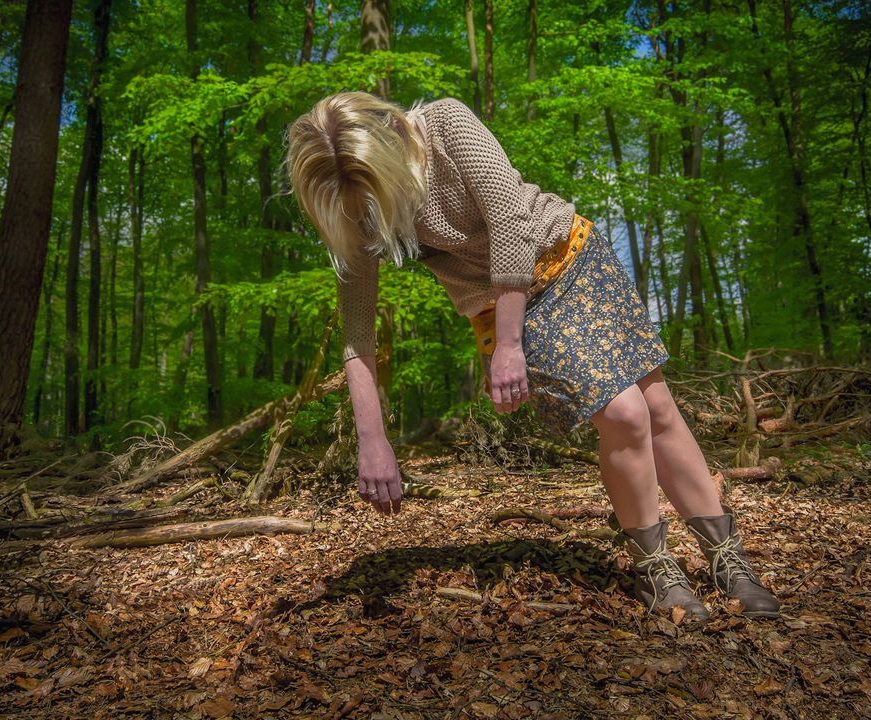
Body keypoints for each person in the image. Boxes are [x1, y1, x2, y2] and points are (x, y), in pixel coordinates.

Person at [284, 91, 780, 621]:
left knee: (656, 406)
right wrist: (373, 440)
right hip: (502, 302)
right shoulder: (356, 203)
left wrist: (511, 348)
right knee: (623, 413)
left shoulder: (446, 125)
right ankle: (653, 564)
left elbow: (510, 222)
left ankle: (727, 557)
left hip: (570, 257)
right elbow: (357, 334)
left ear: (395, 144)